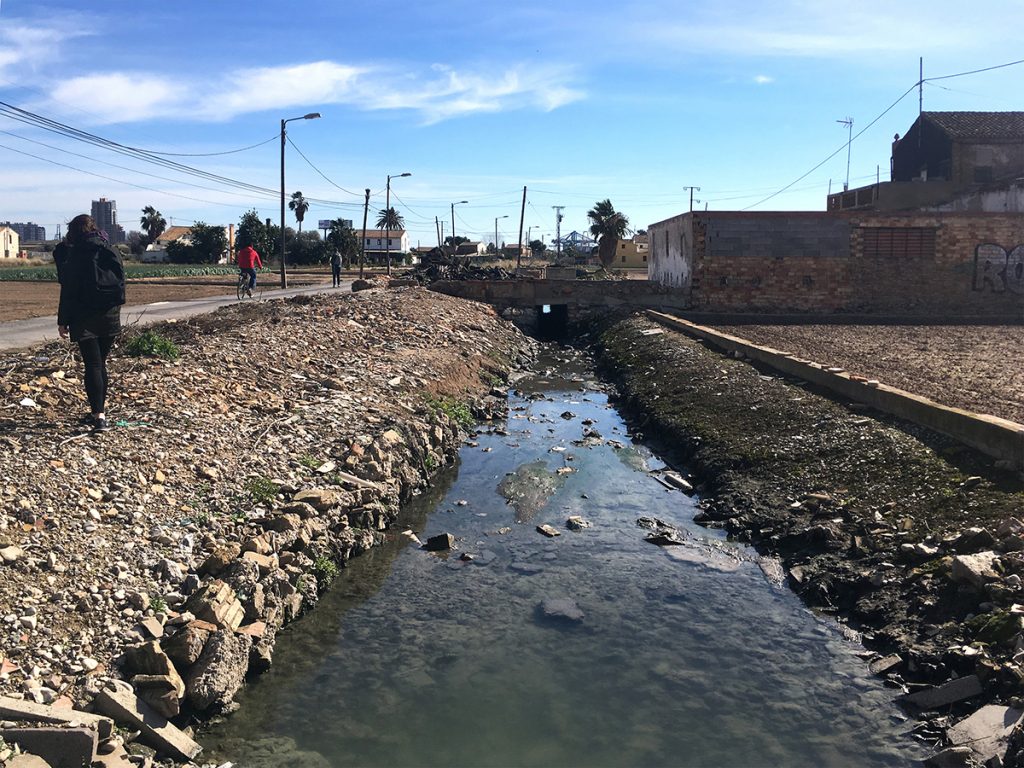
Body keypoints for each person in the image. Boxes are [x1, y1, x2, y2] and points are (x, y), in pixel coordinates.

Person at [54, 214, 126, 432]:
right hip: (110, 314)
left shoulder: (76, 254)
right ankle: (100, 411)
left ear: (74, 232)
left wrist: (63, 321)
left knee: (92, 365)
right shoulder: (110, 248)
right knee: (100, 363)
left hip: (83, 316)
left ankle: (98, 416)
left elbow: (68, 289)